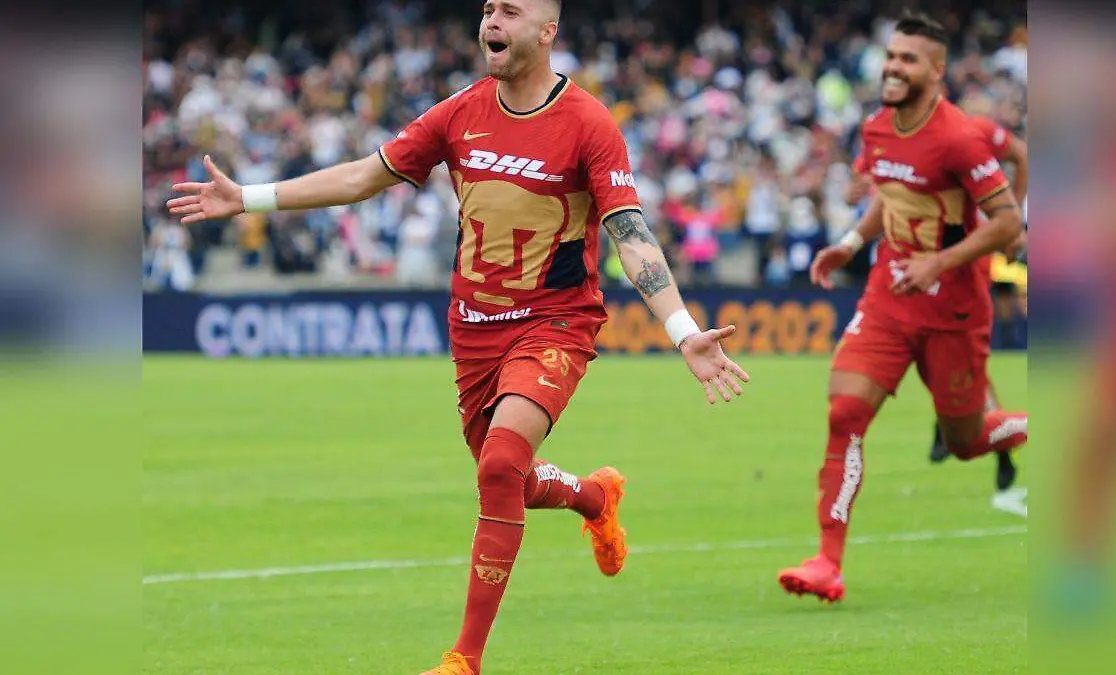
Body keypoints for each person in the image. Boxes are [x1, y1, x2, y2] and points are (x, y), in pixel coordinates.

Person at [167, 1, 750, 672]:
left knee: (500, 466)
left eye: (510, 10)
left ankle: (463, 658)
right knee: (508, 478)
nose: (491, 20)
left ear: (547, 32)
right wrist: (248, 197)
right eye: (487, 8)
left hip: (554, 322)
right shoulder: (458, 113)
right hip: (474, 330)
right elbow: (362, 177)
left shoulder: (589, 123)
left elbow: (631, 233)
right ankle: (594, 496)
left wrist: (682, 330)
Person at [777, 12, 1029, 603]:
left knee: (965, 440)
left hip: (953, 311)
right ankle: (827, 563)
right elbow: (887, 199)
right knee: (845, 412)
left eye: (907, 59)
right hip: (889, 298)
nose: (893, 67)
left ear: (937, 71)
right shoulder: (876, 128)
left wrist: (939, 263)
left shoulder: (960, 138)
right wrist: (849, 243)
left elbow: (1008, 224)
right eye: (891, 56)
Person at [926, 113, 1030, 518]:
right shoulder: (901, 136)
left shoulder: (973, 131)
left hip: (964, 260)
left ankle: (993, 442)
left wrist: (1010, 221)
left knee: (963, 363)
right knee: (934, 353)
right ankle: (953, 427)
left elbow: (1022, 155)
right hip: (925, 259)